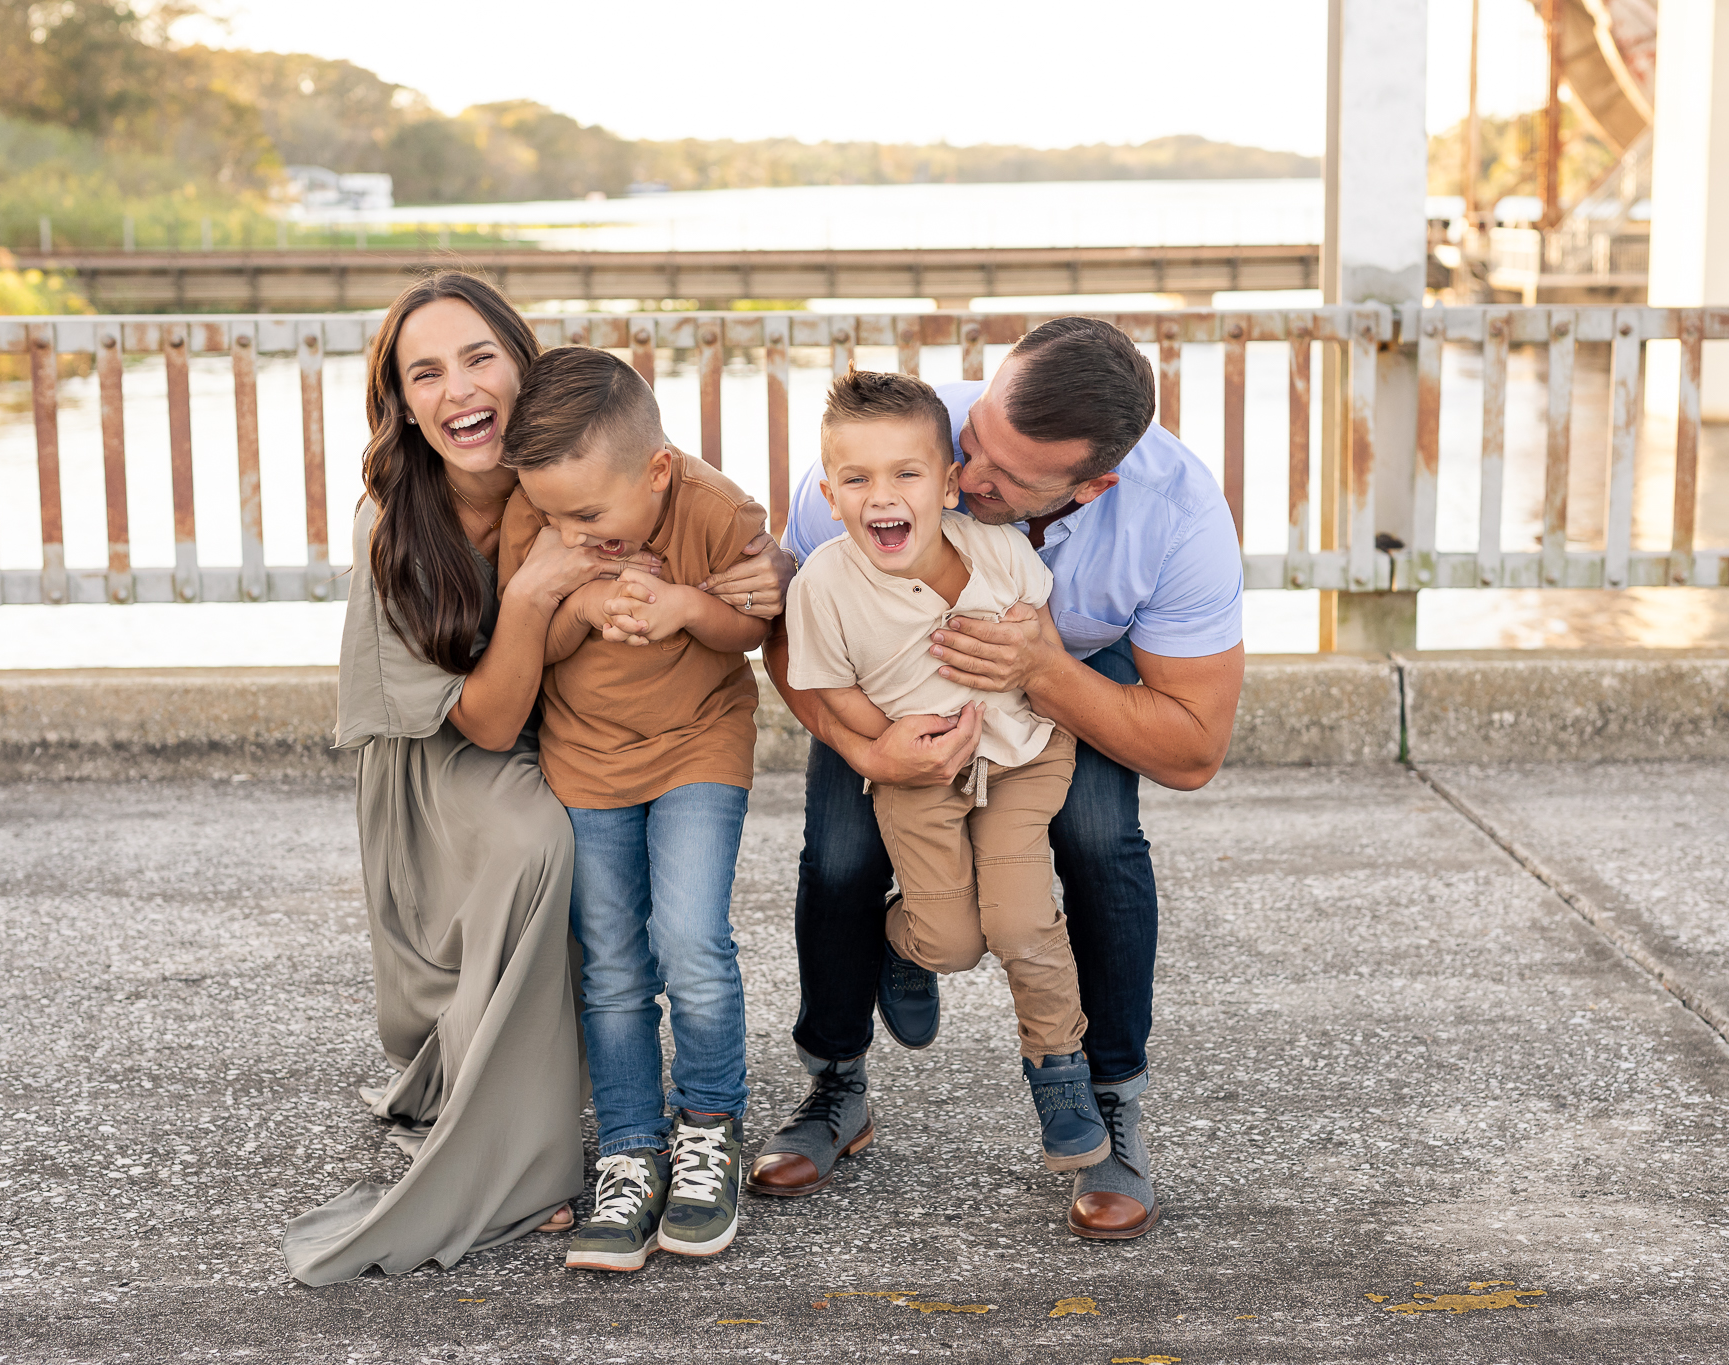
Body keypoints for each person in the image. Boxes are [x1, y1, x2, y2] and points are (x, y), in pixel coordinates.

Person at [282, 274, 790, 1286]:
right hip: (459, 752)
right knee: (553, 864)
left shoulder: (595, 472)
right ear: (401, 402)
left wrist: (744, 580)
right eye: (422, 372)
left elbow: (711, 533)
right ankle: (566, 1138)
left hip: (627, 739)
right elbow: (488, 717)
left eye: (477, 357)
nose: (456, 388)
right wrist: (541, 595)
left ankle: (695, 1129)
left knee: (676, 931)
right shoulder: (408, 523)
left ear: (525, 366)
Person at [749, 317, 1246, 1242]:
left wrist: (1047, 671)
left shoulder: (1173, 514)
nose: (969, 480)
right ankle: (834, 1084)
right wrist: (869, 754)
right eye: (976, 442)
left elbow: (1193, 748)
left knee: (1103, 844)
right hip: (891, 694)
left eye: (1008, 478)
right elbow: (795, 645)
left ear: (1092, 485)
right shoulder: (893, 455)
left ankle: (1108, 1104)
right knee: (842, 854)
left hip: (1072, 683)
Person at [782, 369, 1107, 1177]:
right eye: (856, 478)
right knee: (954, 940)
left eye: (906, 473)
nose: (880, 495)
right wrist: (886, 747)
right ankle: (904, 945)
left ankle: (1059, 1070)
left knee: (1024, 921)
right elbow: (827, 686)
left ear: (949, 482)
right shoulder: (825, 583)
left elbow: (1045, 648)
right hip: (916, 775)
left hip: (1025, 757)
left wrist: (1042, 678)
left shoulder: (997, 549)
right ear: (829, 493)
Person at [498, 346, 770, 1273]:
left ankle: (708, 1127)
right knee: (612, 960)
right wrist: (587, 602)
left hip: (700, 741)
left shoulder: (718, 510)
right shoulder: (538, 522)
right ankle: (629, 1143)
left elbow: (751, 629)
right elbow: (533, 635)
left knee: (691, 937)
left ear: (656, 472)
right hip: (584, 760)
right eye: (551, 513)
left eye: (587, 514)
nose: (569, 529)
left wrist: (688, 605)